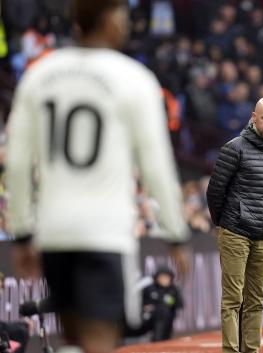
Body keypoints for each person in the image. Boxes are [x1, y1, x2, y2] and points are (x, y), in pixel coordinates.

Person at [5, 2, 190, 353]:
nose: (125, 24)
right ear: (104, 19)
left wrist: (22, 232)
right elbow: (157, 167)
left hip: (54, 231)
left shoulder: (40, 74)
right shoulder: (133, 78)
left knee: (73, 336)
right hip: (105, 232)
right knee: (101, 342)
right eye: (120, 14)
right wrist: (176, 234)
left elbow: (17, 161)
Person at [207, 97, 263, 353]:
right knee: (233, 299)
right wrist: (224, 224)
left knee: (256, 301)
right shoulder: (234, 148)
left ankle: (251, 351)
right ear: (253, 117)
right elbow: (215, 191)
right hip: (235, 232)